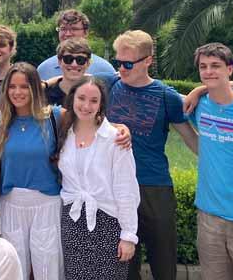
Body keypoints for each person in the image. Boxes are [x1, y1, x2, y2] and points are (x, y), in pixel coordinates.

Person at [92, 30, 197, 280]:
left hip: (154, 186)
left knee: (163, 261)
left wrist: (201, 90)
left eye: (128, 63)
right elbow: (68, 78)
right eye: (119, 62)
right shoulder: (108, 85)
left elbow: (191, 138)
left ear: (148, 60)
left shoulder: (165, 96)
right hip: (114, 186)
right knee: (123, 264)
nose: (122, 68)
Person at [184, 43, 233, 280]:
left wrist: (198, 89)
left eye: (215, 66)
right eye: (203, 67)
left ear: (230, 69)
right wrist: (197, 92)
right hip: (208, 215)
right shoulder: (199, 106)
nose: (209, 72)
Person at [56, 77, 139, 279]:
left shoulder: (115, 139)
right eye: (81, 98)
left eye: (94, 100)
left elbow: (126, 188)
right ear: (72, 99)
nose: (86, 105)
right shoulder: (63, 133)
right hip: (73, 221)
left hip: (107, 222)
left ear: (101, 104)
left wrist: (128, 235)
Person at [0, 63, 62, 280]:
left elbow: (91, 118)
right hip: (10, 202)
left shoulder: (54, 117)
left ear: (35, 87)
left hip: (46, 203)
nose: (17, 92)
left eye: (24, 86)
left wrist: (121, 128)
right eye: (12, 86)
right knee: (14, 269)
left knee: (48, 269)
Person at [37, 10, 115, 80]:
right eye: (63, 29)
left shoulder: (105, 69)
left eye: (73, 29)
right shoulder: (44, 70)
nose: (67, 34)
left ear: (86, 32)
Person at [43, 37, 93, 107]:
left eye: (80, 60)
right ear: (59, 62)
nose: (74, 64)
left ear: (88, 63)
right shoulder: (44, 96)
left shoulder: (96, 94)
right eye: (68, 59)